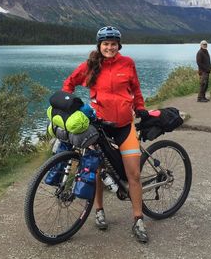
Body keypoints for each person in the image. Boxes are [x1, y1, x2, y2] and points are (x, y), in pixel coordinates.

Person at [62, 26, 149, 243]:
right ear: (99, 46)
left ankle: (138, 219)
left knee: (134, 175)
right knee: (99, 172)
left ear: (118, 46)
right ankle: (99, 210)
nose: (109, 47)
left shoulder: (127, 63)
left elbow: (136, 89)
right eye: (105, 44)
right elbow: (69, 84)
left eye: (113, 44)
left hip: (124, 126)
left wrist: (140, 107)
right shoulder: (91, 66)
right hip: (100, 128)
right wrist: (68, 105)